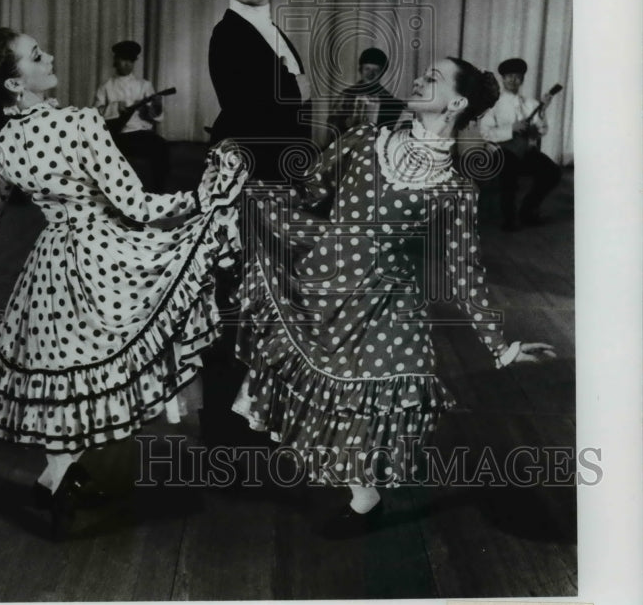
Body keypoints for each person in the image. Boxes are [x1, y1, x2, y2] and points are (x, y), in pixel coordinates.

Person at [0, 27, 247, 539]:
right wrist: (201, 199)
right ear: (13, 83)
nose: (49, 55)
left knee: (58, 367)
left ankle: (58, 474)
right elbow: (137, 206)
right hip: (103, 254)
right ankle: (61, 477)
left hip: (50, 266)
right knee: (96, 359)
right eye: (36, 55)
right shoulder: (80, 124)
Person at [231, 57, 556, 539]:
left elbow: (464, 272)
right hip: (325, 288)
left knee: (378, 401)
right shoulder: (364, 142)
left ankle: (365, 501)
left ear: (457, 103)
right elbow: (307, 193)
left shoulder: (454, 189)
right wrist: (245, 193)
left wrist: (500, 346)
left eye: (434, 78)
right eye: (423, 72)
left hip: (388, 306)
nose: (419, 78)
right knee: (325, 395)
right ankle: (362, 495)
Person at [208, 0, 313, 183]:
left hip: (285, 173)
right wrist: (294, 91)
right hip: (249, 175)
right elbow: (242, 111)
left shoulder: (276, 34)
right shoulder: (226, 35)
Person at [478, 57, 561, 230]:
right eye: (509, 76)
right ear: (503, 78)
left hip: (525, 152)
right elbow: (485, 133)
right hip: (500, 152)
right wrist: (511, 129)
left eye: (517, 76)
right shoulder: (493, 104)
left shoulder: (531, 104)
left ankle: (527, 209)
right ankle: (509, 218)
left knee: (552, 173)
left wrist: (542, 110)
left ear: (522, 79)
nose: (513, 80)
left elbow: (542, 130)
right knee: (509, 172)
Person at [94, 39, 170, 192]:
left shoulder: (144, 85)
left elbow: (156, 116)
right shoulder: (106, 86)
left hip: (141, 134)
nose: (127, 64)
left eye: (130, 60)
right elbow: (95, 114)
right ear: (116, 60)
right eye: (123, 59)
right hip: (117, 136)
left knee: (162, 146)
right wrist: (115, 107)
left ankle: (157, 193)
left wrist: (156, 106)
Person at [327, 46, 407, 136]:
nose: (371, 74)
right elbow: (332, 124)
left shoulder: (388, 99)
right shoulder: (347, 95)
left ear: (382, 73)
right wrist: (346, 123)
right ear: (360, 70)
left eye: (376, 70)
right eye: (367, 69)